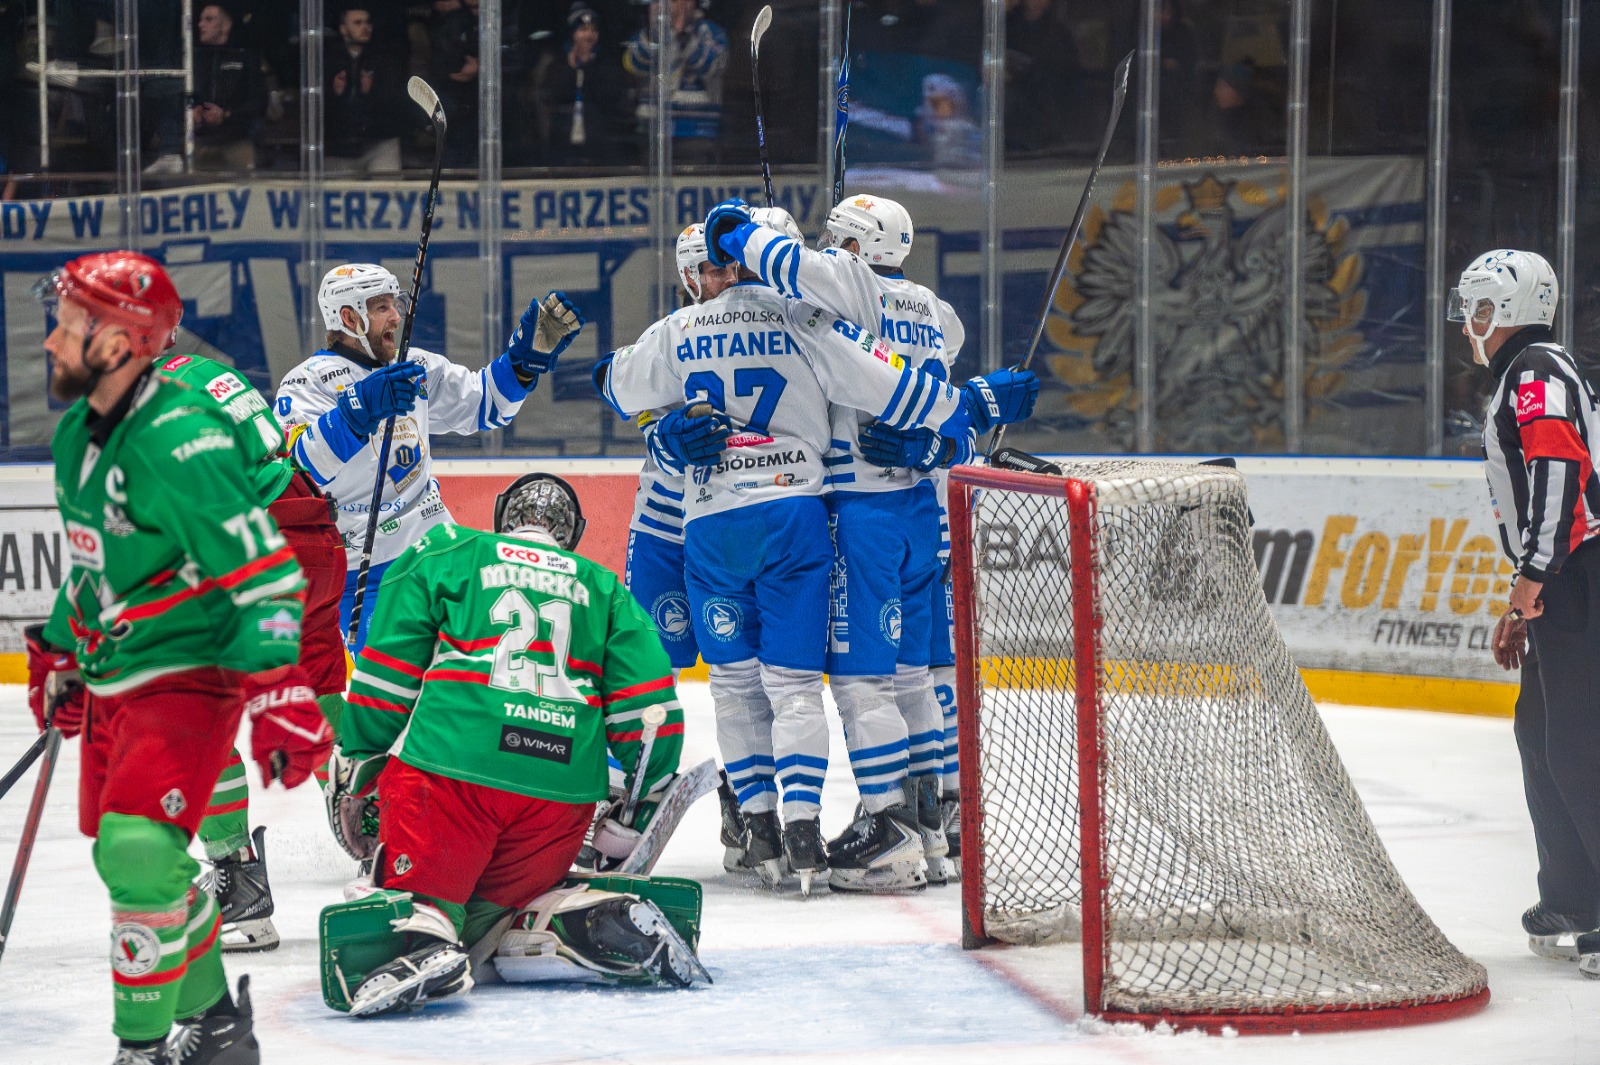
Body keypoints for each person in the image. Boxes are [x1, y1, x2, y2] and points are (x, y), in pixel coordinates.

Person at [597, 205, 1037, 894]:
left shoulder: (682, 330)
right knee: (883, 677)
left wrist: (660, 432)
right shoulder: (829, 320)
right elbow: (903, 386)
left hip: (729, 520)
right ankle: (912, 821)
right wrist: (966, 414)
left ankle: (782, 820)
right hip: (837, 511)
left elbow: (610, 380)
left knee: (749, 684)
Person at [24, 251, 315, 1064]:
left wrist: (281, 688)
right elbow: (98, 568)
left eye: (69, 325)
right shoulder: (77, 435)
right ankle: (218, 1023)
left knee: (137, 850)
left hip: (190, 677)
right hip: (120, 674)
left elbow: (265, 573)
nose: (51, 340)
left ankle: (142, 1049)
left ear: (120, 342)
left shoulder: (183, 441)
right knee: (140, 869)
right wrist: (61, 647)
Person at [318, 473, 707, 1016]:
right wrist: (639, 803)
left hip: (452, 777)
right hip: (560, 802)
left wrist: (359, 760)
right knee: (491, 925)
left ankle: (424, 928)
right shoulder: (605, 588)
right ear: (573, 535)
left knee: (432, 907)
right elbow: (648, 713)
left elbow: (386, 680)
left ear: (502, 516)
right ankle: (557, 919)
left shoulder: (447, 551)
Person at [706, 193, 972, 890]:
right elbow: (945, 360)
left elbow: (793, 268)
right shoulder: (934, 309)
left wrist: (739, 234)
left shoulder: (845, 290)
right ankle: (933, 826)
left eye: (834, 239)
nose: (825, 248)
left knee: (861, 684)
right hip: (921, 506)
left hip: (862, 509)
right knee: (915, 676)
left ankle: (887, 828)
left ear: (854, 249)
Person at [274, 265, 584, 655]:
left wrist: (521, 364)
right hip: (365, 569)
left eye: (395, 304)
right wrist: (357, 410)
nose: (396, 316)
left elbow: (484, 403)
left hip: (438, 543)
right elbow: (299, 470)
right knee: (395, 678)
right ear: (349, 319)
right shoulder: (307, 382)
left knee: (498, 646)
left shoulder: (413, 366)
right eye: (381, 307)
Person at [154, 351, 345, 953]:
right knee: (317, 701)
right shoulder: (204, 369)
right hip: (311, 537)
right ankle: (392, 842)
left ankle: (239, 891)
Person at [1458, 249, 1600, 974]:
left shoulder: (1537, 370)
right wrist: (1527, 591)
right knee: (1542, 732)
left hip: (1579, 573)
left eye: (1479, 309)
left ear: (1510, 311)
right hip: (1565, 576)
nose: (1468, 324)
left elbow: (1559, 469)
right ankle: (1575, 896)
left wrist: (1534, 578)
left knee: (1579, 741)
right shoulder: (1528, 372)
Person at [622, 0, 728, 163]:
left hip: (697, 134)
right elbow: (634, 64)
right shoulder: (648, 34)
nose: (671, 5)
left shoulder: (710, 32)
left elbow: (711, 67)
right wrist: (653, 32)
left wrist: (682, 34)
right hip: (652, 134)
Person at [536, 2, 633, 167]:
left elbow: (610, 97)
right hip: (562, 145)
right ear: (573, 33)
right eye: (583, 30)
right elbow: (550, 96)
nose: (589, 35)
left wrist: (588, 67)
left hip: (598, 146)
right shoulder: (558, 63)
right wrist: (570, 69)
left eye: (593, 30)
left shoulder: (606, 64)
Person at [324, 4, 405, 174]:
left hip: (380, 143)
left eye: (368, 22)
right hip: (340, 148)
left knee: (386, 187)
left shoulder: (385, 57)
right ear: (343, 29)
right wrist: (336, 94)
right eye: (357, 23)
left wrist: (370, 93)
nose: (365, 27)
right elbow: (319, 108)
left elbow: (396, 102)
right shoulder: (329, 58)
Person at [191, 2, 266, 171]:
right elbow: (185, 95)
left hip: (237, 141)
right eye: (201, 19)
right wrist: (193, 109)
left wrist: (226, 114)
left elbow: (258, 101)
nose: (200, 24)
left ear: (225, 25)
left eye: (209, 19)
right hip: (200, 142)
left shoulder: (245, 56)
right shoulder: (193, 59)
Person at [427, 0, 479, 168]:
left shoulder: (499, 16)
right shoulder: (453, 20)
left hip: (483, 102)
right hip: (453, 100)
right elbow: (444, 63)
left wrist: (483, 66)